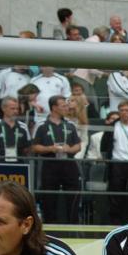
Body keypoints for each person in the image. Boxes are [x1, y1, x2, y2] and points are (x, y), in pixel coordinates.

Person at [31, 95, 82, 225]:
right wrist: (50, 148)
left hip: (69, 164)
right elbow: (35, 147)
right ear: (54, 107)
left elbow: (78, 146)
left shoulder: (70, 124)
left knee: (73, 196)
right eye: (63, 105)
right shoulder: (42, 125)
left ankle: (73, 227)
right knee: (49, 198)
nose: (67, 108)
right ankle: (50, 227)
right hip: (50, 164)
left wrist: (68, 149)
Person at [0, 96, 31, 162]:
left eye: (17, 109)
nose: (16, 111)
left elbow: (27, 149)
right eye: (12, 108)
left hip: (19, 164)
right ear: (3, 108)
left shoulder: (23, 127)